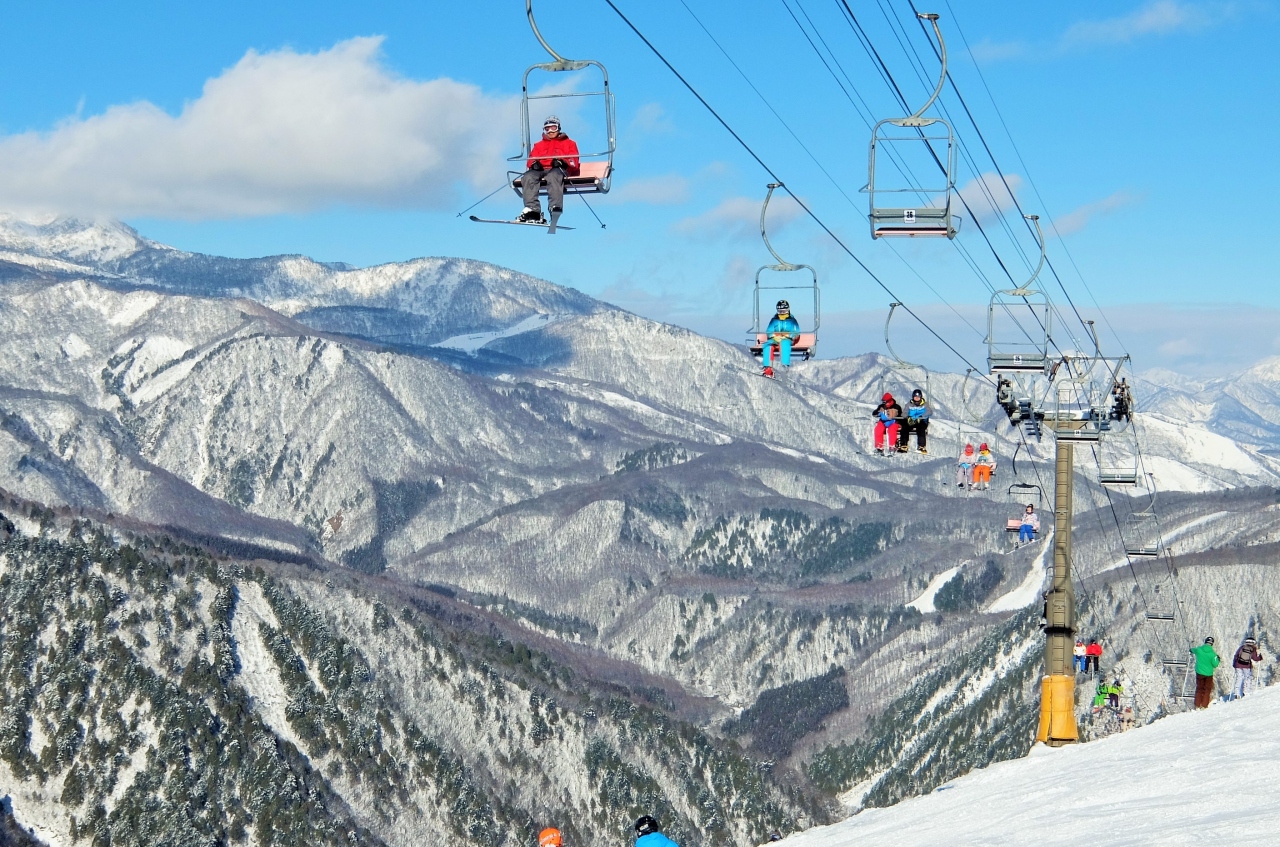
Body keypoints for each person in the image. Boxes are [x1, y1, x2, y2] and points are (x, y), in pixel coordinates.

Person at [517, 116, 580, 223]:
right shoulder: (539, 145)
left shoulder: (569, 143)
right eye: (547, 129)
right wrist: (534, 164)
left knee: (553, 176)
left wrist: (563, 162)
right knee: (528, 176)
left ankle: (555, 206)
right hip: (541, 169)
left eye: (553, 128)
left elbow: (574, 160)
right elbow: (531, 159)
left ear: (558, 128)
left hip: (558, 169)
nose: (550, 131)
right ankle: (532, 209)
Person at [763, 300, 801, 371]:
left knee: (784, 343)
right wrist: (773, 335)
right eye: (780, 312)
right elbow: (769, 331)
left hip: (787, 339)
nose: (782, 313)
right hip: (775, 338)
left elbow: (796, 332)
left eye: (784, 311)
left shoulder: (792, 320)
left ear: (788, 310)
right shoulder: (774, 320)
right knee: (767, 345)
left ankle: (785, 365)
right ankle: (768, 368)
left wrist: (788, 335)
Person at [1190, 636, 1220, 709]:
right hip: (1209, 674)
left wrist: (1190, 650)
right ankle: (1204, 705)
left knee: (1199, 688)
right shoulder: (1213, 654)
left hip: (1199, 672)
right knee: (1207, 689)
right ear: (1212, 644)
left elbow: (1192, 650)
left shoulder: (1199, 650)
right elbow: (1215, 664)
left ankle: (1197, 705)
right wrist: (1218, 659)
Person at [898, 389, 931, 454]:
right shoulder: (909, 404)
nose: (917, 398)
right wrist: (907, 417)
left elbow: (929, 412)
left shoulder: (925, 405)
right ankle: (903, 444)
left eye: (918, 397)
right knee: (905, 427)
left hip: (921, 421)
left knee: (921, 429)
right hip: (912, 421)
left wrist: (922, 416)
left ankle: (921, 446)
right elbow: (904, 413)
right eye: (915, 397)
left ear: (920, 397)